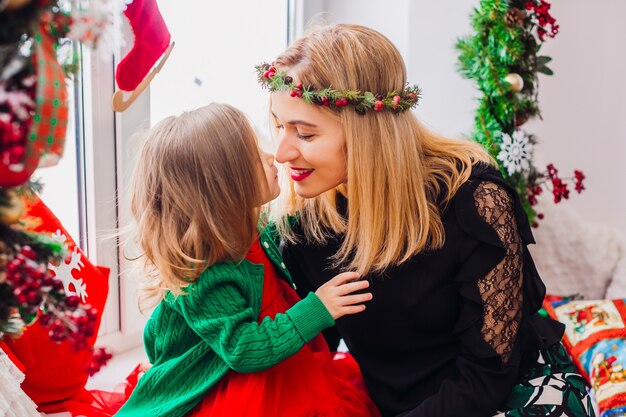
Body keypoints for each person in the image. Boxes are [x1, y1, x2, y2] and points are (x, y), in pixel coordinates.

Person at [262, 24, 595, 417]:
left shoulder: (475, 202)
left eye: (304, 134)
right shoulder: (304, 229)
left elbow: (488, 374)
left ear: (366, 133)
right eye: (280, 125)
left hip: (514, 397)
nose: (282, 152)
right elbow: (310, 356)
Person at [114, 103, 380, 417]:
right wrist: (317, 309)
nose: (275, 157)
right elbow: (244, 349)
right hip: (239, 388)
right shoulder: (206, 275)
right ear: (224, 188)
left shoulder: (251, 229)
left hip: (282, 369)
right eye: (256, 158)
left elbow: (293, 228)